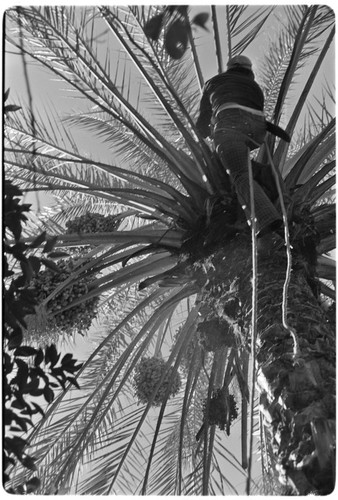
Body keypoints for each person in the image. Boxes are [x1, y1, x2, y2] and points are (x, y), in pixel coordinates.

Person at [196, 55, 289, 235]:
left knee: (240, 174)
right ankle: (270, 181)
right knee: (240, 161)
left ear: (229, 68)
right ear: (249, 71)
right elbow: (256, 111)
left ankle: (266, 219)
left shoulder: (213, 83)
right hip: (257, 130)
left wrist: (202, 136)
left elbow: (203, 119)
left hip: (230, 126)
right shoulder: (255, 87)